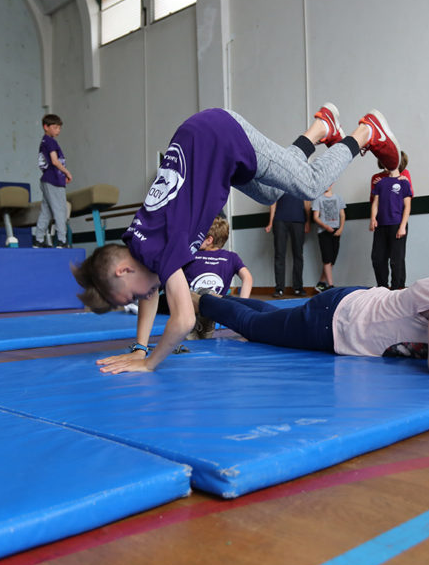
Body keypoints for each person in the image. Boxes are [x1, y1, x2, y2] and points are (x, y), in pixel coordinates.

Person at [71, 104, 401, 374]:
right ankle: (320, 128)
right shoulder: (137, 240)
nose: (142, 296)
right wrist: (140, 346)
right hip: (207, 144)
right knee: (270, 192)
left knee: (310, 184)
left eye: (130, 294)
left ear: (123, 271)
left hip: (220, 137)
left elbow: (184, 320)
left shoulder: (162, 248)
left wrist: (149, 363)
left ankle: (366, 131)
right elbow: (149, 293)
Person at [192, 252, 429, 377]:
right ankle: (203, 301)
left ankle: (218, 301)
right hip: (336, 320)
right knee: (257, 328)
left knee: (272, 319)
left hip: (353, 305)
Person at [181, 215, 253, 339]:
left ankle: (192, 323)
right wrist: (242, 304)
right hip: (212, 306)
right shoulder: (231, 257)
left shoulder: (192, 254)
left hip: (190, 305)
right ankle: (203, 319)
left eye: (198, 236)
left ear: (209, 240)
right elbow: (247, 278)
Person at [370, 150, 413, 289]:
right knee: (378, 258)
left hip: (397, 225)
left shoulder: (404, 182)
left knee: (396, 259)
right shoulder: (380, 182)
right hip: (381, 225)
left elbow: (407, 206)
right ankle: (382, 287)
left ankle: (397, 288)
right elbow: (375, 203)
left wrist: (402, 226)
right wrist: (373, 219)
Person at [33, 113, 72, 248]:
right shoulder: (50, 142)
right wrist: (66, 172)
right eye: (55, 127)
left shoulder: (44, 141)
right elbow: (54, 161)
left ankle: (38, 239)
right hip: (53, 180)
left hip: (47, 180)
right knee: (60, 209)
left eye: (59, 128)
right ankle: (62, 240)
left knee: (46, 211)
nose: (58, 131)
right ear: (46, 127)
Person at [265, 193, 310, 297]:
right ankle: (279, 288)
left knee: (298, 255)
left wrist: (308, 221)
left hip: (299, 220)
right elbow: (273, 202)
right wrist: (270, 222)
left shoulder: (301, 184)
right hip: (279, 220)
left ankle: (298, 288)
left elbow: (307, 202)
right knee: (279, 255)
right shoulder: (278, 184)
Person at [312, 184, 346, 292]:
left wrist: (340, 229)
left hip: (336, 231)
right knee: (326, 259)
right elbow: (315, 217)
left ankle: (321, 283)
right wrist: (325, 226)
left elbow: (342, 215)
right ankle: (330, 286)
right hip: (323, 232)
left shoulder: (338, 198)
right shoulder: (318, 199)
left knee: (332, 260)